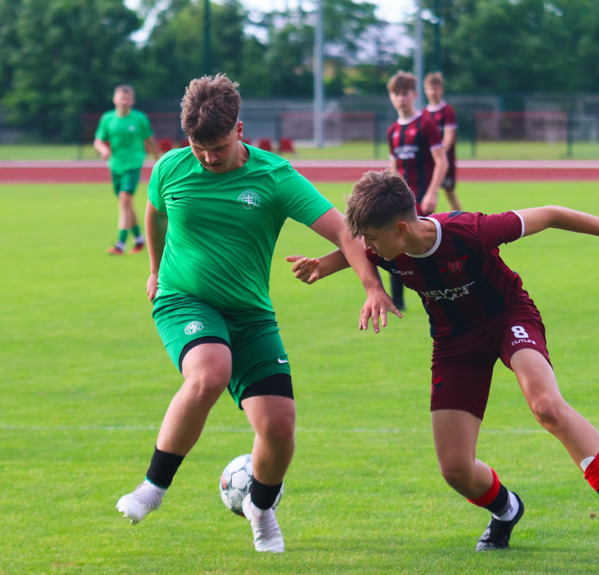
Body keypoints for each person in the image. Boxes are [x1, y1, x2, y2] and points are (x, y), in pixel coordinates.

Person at [287, 170, 599, 551]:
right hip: (454, 344)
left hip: (508, 318)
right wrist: (321, 265)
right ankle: (507, 509)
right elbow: (352, 253)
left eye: (370, 237)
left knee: (546, 406)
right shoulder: (383, 247)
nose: (365, 246)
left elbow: (550, 213)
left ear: (400, 229)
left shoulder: (470, 231)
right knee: (455, 470)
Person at [115, 75, 397, 553]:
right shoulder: (169, 168)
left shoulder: (274, 177)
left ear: (240, 130)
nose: (207, 157)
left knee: (279, 429)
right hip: (184, 300)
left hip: (249, 314)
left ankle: (261, 510)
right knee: (209, 372)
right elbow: (154, 213)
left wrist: (372, 285)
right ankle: (153, 488)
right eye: (198, 147)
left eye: (218, 147)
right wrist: (155, 270)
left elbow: (345, 232)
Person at [386, 71, 449, 310]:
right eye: (395, 94)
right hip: (398, 200)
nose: (400, 98)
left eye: (405, 94)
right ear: (391, 97)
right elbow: (394, 166)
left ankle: (444, 293)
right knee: (392, 246)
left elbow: (442, 161)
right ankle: (397, 302)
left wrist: (432, 192)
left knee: (425, 248)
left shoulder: (426, 124)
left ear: (414, 95)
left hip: (421, 196)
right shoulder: (392, 130)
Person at [93, 85, 161, 255]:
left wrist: (158, 160)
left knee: (124, 199)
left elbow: (150, 140)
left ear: (132, 101)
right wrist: (103, 150)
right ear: (114, 99)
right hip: (115, 166)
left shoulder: (139, 119)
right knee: (126, 204)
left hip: (133, 164)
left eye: (128, 98)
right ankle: (138, 239)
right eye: (121, 98)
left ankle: (120, 244)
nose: (124, 101)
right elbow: (98, 141)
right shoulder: (107, 119)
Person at [423, 72, 461, 211]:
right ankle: (428, 224)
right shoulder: (424, 113)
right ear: (425, 90)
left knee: (449, 191)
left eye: (436, 88)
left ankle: (462, 222)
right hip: (427, 162)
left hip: (445, 160)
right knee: (427, 193)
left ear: (441, 90)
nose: (433, 92)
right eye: (430, 89)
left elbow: (449, 137)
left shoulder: (447, 111)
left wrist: (439, 156)